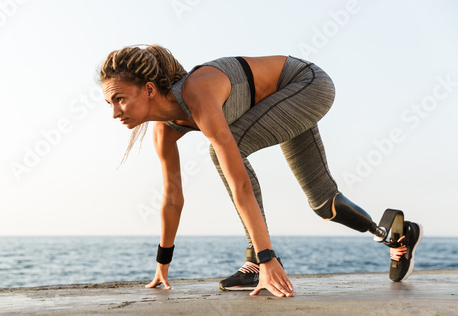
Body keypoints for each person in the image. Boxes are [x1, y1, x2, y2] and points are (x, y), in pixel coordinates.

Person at [99, 44, 423, 297]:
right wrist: (162, 264)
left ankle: (257, 261)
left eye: (120, 99)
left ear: (150, 89)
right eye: (109, 103)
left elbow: (238, 181)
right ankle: (397, 236)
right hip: (277, 103)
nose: (114, 112)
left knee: (226, 150)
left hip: (305, 84)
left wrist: (266, 258)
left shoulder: (197, 94)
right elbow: (172, 198)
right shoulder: (165, 129)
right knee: (324, 204)